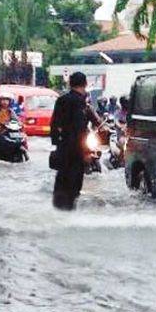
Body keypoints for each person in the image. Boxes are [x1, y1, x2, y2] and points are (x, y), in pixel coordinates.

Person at [50, 72, 100, 210]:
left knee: (61, 183)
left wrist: (58, 144)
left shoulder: (61, 100)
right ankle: (69, 213)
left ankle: (58, 211)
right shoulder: (79, 103)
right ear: (84, 84)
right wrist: (85, 152)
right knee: (73, 185)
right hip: (76, 152)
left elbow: (54, 125)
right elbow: (80, 130)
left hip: (62, 149)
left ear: (70, 84)